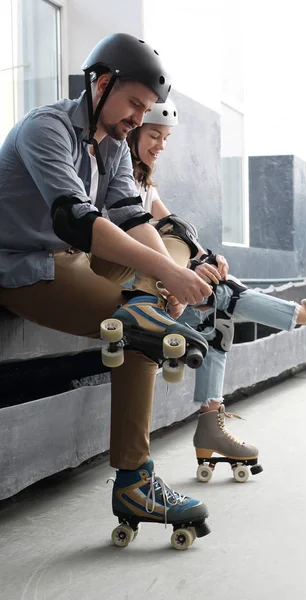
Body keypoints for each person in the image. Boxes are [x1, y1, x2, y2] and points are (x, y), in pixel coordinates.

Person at [0, 34, 213, 549]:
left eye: (147, 108)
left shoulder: (115, 145)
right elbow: (77, 221)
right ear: (101, 85)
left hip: (78, 258)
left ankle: (146, 309)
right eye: (134, 104)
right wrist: (168, 279)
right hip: (26, 266)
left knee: (168, 243)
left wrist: (169, 272)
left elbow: (135, 217)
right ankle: (136, 482)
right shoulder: (44, 128)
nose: (140, 119)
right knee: (143, 324)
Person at [127, 98, 306, 482]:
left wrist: (208, 258)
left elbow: (174, 229)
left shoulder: (146, 184)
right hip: (136, 288)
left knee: (219, 310)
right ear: (133, 133)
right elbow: (147, 243)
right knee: (220, 300)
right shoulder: (120, 182)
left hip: (164, 279)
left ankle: (211, 422)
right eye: (153, 135)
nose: (160, 144)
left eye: (165, 137)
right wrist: (192, 269)